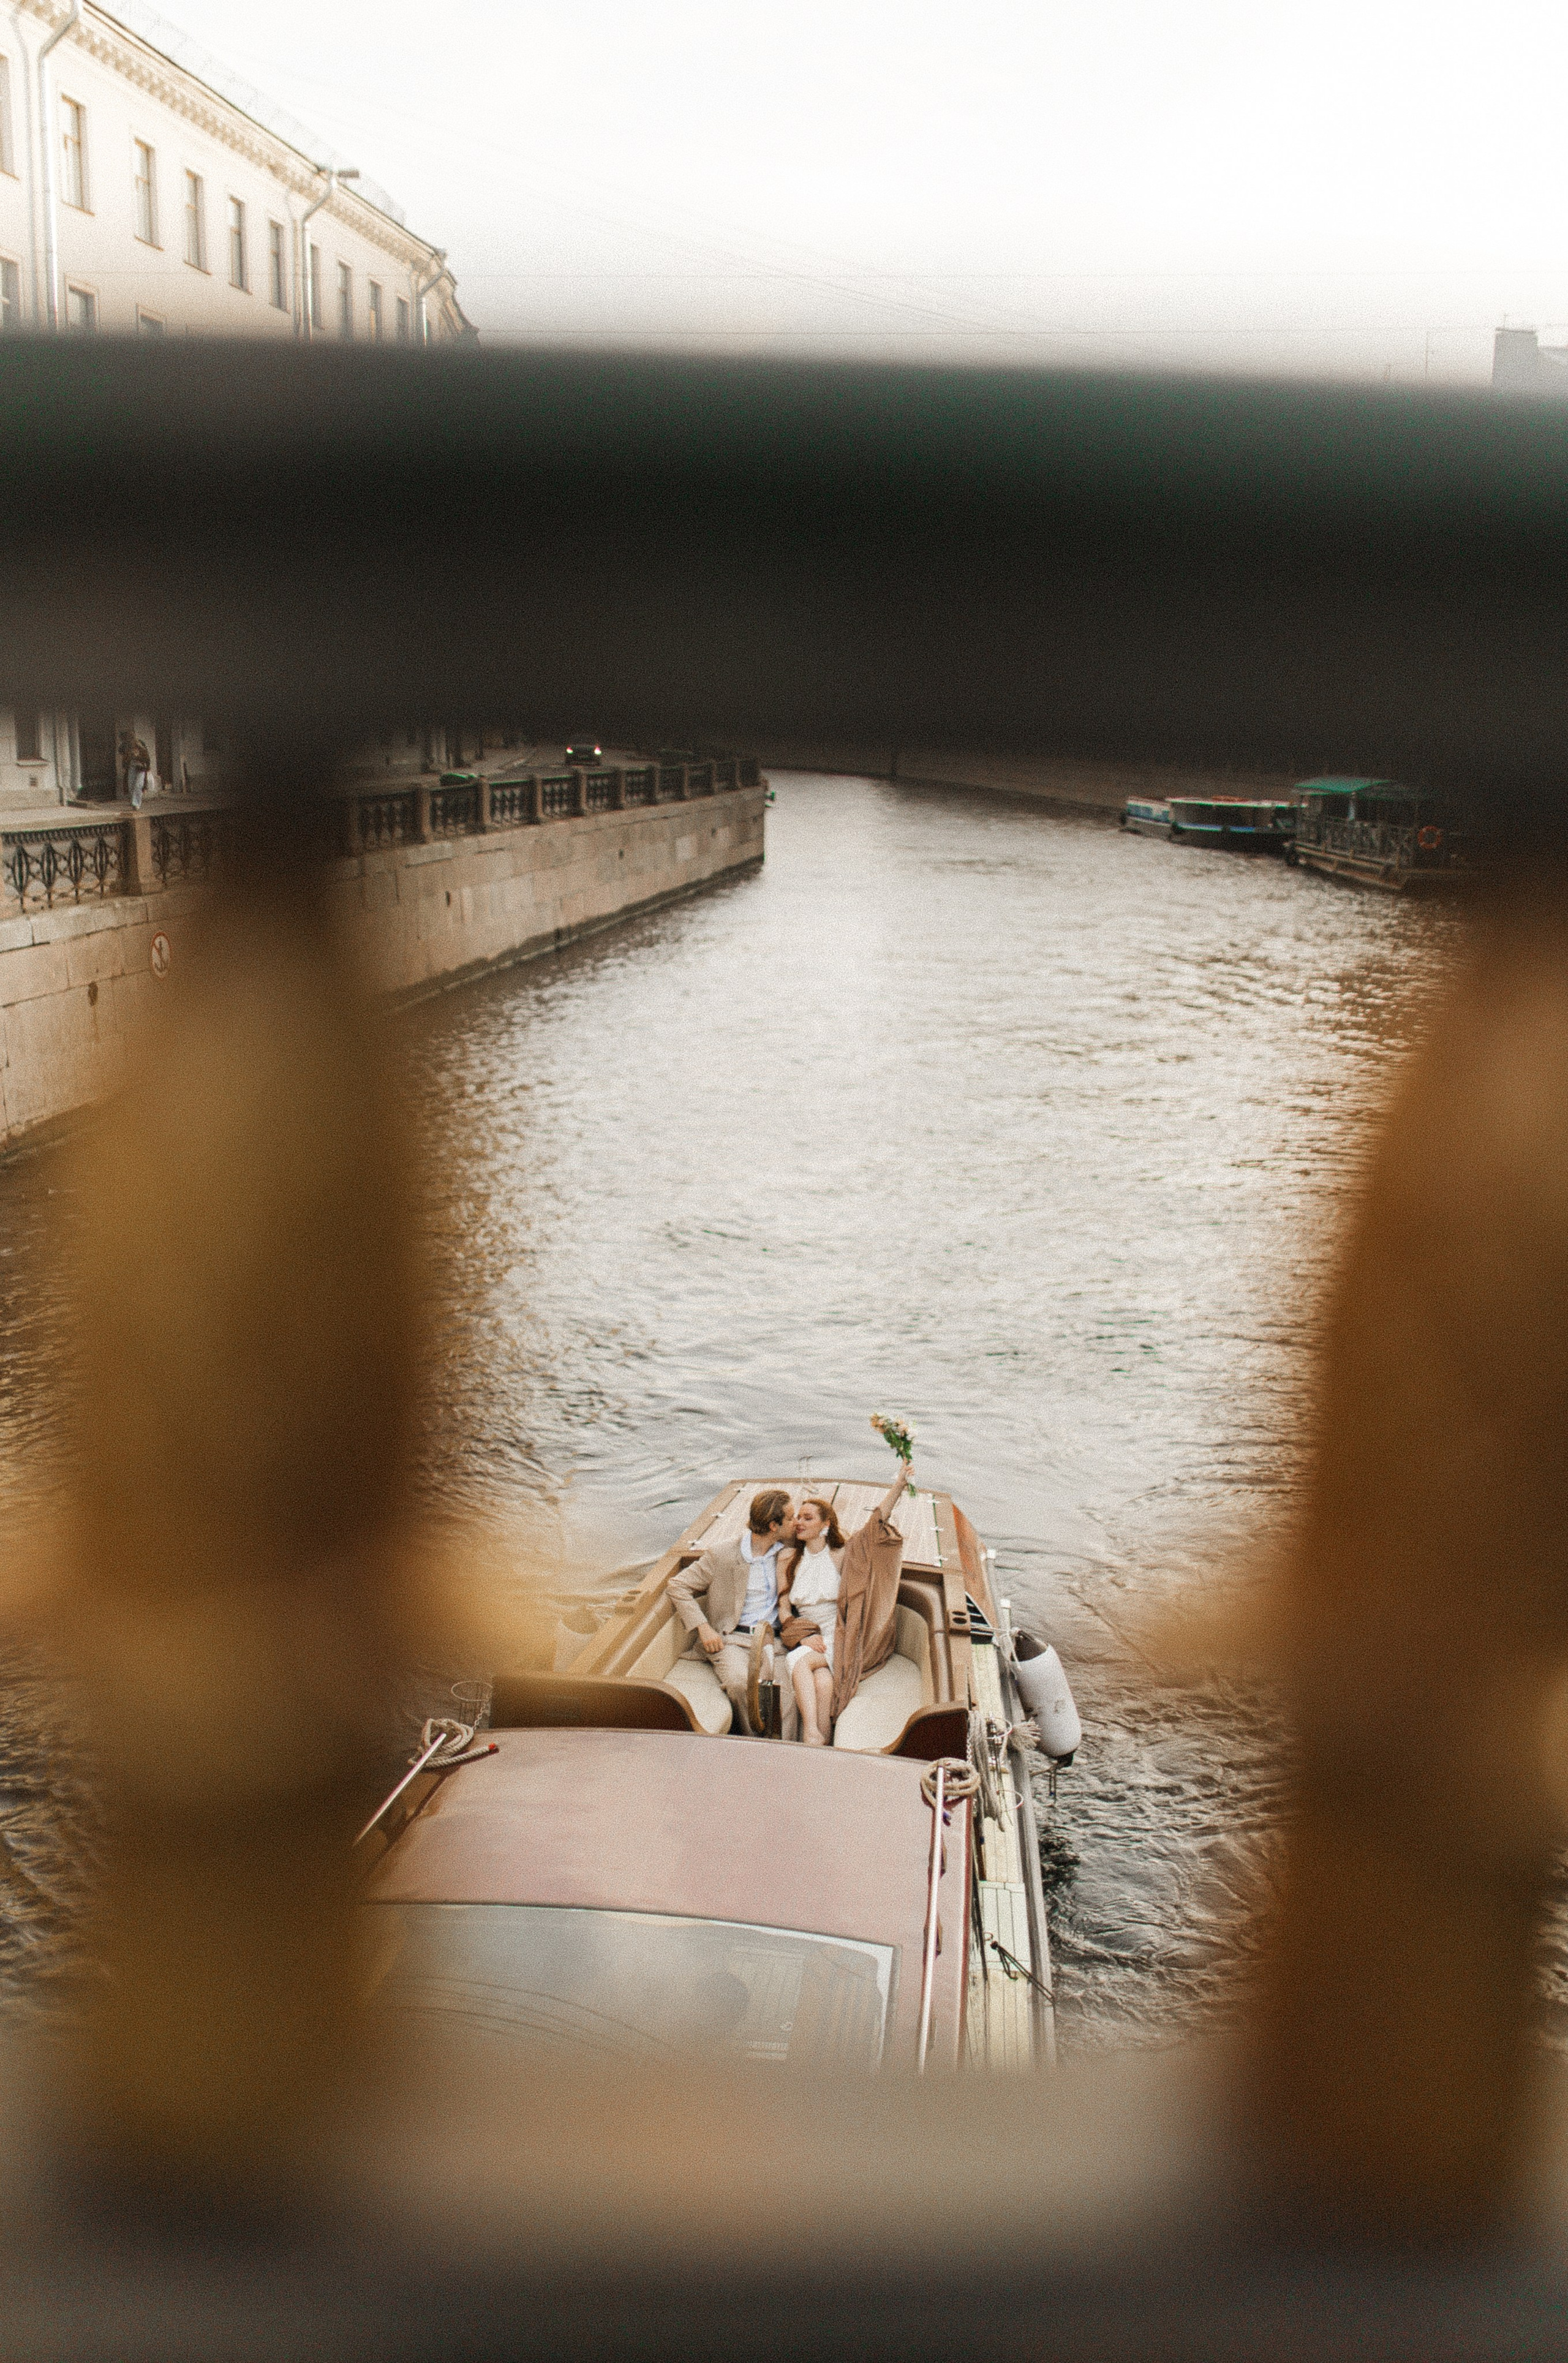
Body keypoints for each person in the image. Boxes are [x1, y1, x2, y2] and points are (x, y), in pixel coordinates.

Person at [777, 1464, 913, 1747]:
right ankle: (822, 1743)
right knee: (823, 1682)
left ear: (826, 1525)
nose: (800, 1522)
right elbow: (785, 1610)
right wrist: (803, 1636)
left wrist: (899, 1486)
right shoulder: (790, 1559)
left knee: (796, 1661)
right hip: (809, 1636)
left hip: (840, 1637)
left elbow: (873, 1527)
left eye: (808, 1518)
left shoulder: (840, 1556)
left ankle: (809, 1734)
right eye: (798, 1518)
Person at [668, 1488, 798, 1738]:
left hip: (774, 1641)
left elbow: (835, 1540)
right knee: (741, 1683)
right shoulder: (723, 1554)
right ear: (774, 1526)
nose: (795, 1523)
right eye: (791, 1518)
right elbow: (678, 1586)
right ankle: (752, 1747)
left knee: (787, 1693)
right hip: (732, 1640)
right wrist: (703, 1628)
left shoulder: (790, 1549)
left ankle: (787, 1752)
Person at [120, 729, 152, 812]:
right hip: (132, 768)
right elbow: (122, 753)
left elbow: (146, 756)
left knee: (139, 785)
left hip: (141, 768)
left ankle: (136, 804)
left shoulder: (140, 744)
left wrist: (147, 766)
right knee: (131, 785)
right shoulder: (126, 746)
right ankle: (133, 801)